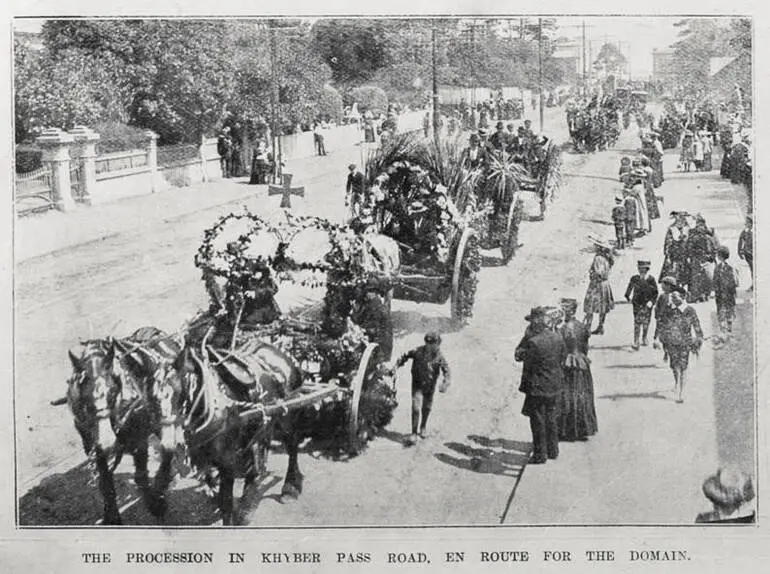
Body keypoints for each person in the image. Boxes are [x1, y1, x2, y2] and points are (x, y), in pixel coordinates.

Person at [515, 307, 567, 464]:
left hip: (538, 387)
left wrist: (523, 343)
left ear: (536, 324)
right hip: (554, 384)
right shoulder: (557, 338)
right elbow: (563, 358)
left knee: (537, 420)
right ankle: (553, 450)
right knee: (551, 417)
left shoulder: (533, 342)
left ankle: (540, 454)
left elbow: (520, 357)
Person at [395, 332, 451, 445]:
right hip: (417, 384)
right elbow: (404, 356)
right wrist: (395, 366)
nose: (432, 346)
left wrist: (445, 383)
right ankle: (414, 433)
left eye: (435, 344)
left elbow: (446, 370)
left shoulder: (439, 356)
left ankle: (423, 426)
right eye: (429, 344)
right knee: (416, 407)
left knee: (427, 407)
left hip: (430, 386)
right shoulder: (417, 351)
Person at [556, 298, 597, 442]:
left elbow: (560, 349)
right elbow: (585, 347)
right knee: (582, 395)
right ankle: (583, 428)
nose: (562, 313)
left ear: (571, 311)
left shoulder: (564, 329)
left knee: (568, 395)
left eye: (564, 310)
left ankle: (569, 430)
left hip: (568, 363)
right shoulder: (582, 326)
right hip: (582, 362)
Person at [661, 290, 703, 403]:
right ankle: (677, 383)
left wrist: (699, 339)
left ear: (683, 297)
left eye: (675, 297)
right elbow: (664, 325)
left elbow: (697, 326)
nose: (673, 299)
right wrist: (662, 340)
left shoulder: (690, 310)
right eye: (672, 297)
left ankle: (682, 392)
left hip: (685, 342)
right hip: (672, 342)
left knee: (683, 366)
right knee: (674, 365)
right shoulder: (670, 310)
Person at [583, 239, 615, 335]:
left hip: (597, 284)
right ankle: (601, 326)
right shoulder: (608, 258)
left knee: (590, 306)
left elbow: (599, 272)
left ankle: (588, 328)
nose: (595, 246)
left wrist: (592, 274)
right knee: (603, 307)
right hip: (605, 284)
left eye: (596, 245)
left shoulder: (598, 258)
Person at [624, 260, 659, 349]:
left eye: (644, 269)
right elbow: (629, 288)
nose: (642, 271)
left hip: (648, 304)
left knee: (646, 322)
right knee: (637, 322)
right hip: (637, 303)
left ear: (647, 269)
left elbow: (655, 293)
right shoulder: (634, 278)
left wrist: (652, 302)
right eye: (640, 269)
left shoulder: (651, 279)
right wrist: (628, 297)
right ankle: (636, 340)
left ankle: (644, 337)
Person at [685, 214, 717, 302]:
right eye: (698, 225)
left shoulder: (710, 238)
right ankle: (696, 295)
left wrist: (710, 257)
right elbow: (688, 249)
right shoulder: (693, 237)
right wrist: (690, 257)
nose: (700, 228)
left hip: (707, 260)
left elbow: (714, 249)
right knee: (695, 278)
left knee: (709, 276)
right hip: (696, 259)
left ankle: (707, 293)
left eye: (702, 225)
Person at [713, 245, 738, 343]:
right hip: (720, 294)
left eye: (718, 254)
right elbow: (715, 281)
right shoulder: (718, 267)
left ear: (720, 255)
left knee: (729, 311)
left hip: (728, 293)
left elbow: (735, 282)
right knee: (721, 312)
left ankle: (729, 330)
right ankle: (723, 331)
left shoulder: (729, 267)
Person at [660, 211, 691, 287]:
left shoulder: (687, 228)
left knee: (686, 274)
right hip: (674, 255)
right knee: (674, 273)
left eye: (683, 217)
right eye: (680, 217)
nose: (681, 219)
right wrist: (667, 253)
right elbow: (668, 242)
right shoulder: (672, 229)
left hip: (685, 254)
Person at [738, 215, 753, 291]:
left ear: (751, 223)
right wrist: (739, 252)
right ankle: (754, 284)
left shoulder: (755, 231)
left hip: (753, 253)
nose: (745, 224)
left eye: (747, 222)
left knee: (753, 269)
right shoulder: (745, 231)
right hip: (748, 254)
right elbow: (740, 241)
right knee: (752, 269)